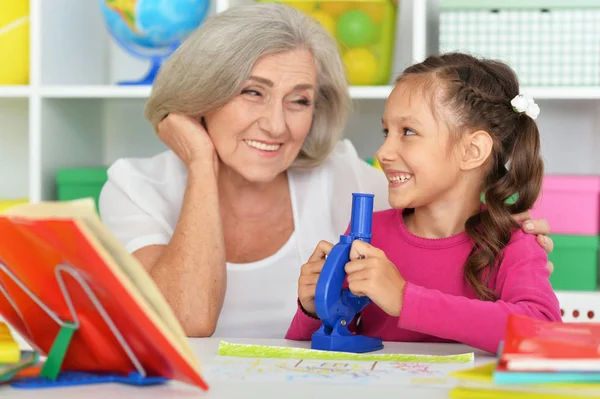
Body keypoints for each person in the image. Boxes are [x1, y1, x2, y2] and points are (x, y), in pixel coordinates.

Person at [98, 4, 555, 339]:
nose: (277, 124)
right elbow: (189, 319)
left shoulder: (353, 185)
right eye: (252, 92)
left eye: (299, 100)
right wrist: (200, 161)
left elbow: (441, 199)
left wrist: (501, 225)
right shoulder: (136, 187)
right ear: (203, 92)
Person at [287, 53, 562, 353]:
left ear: (472, 150)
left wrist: (406, 299)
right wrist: (317, 309)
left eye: (408, 132)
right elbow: (322, 352)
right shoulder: (369, 234)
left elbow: (542, 333)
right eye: (386, 132)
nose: (383, 152)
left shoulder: (514, 240)